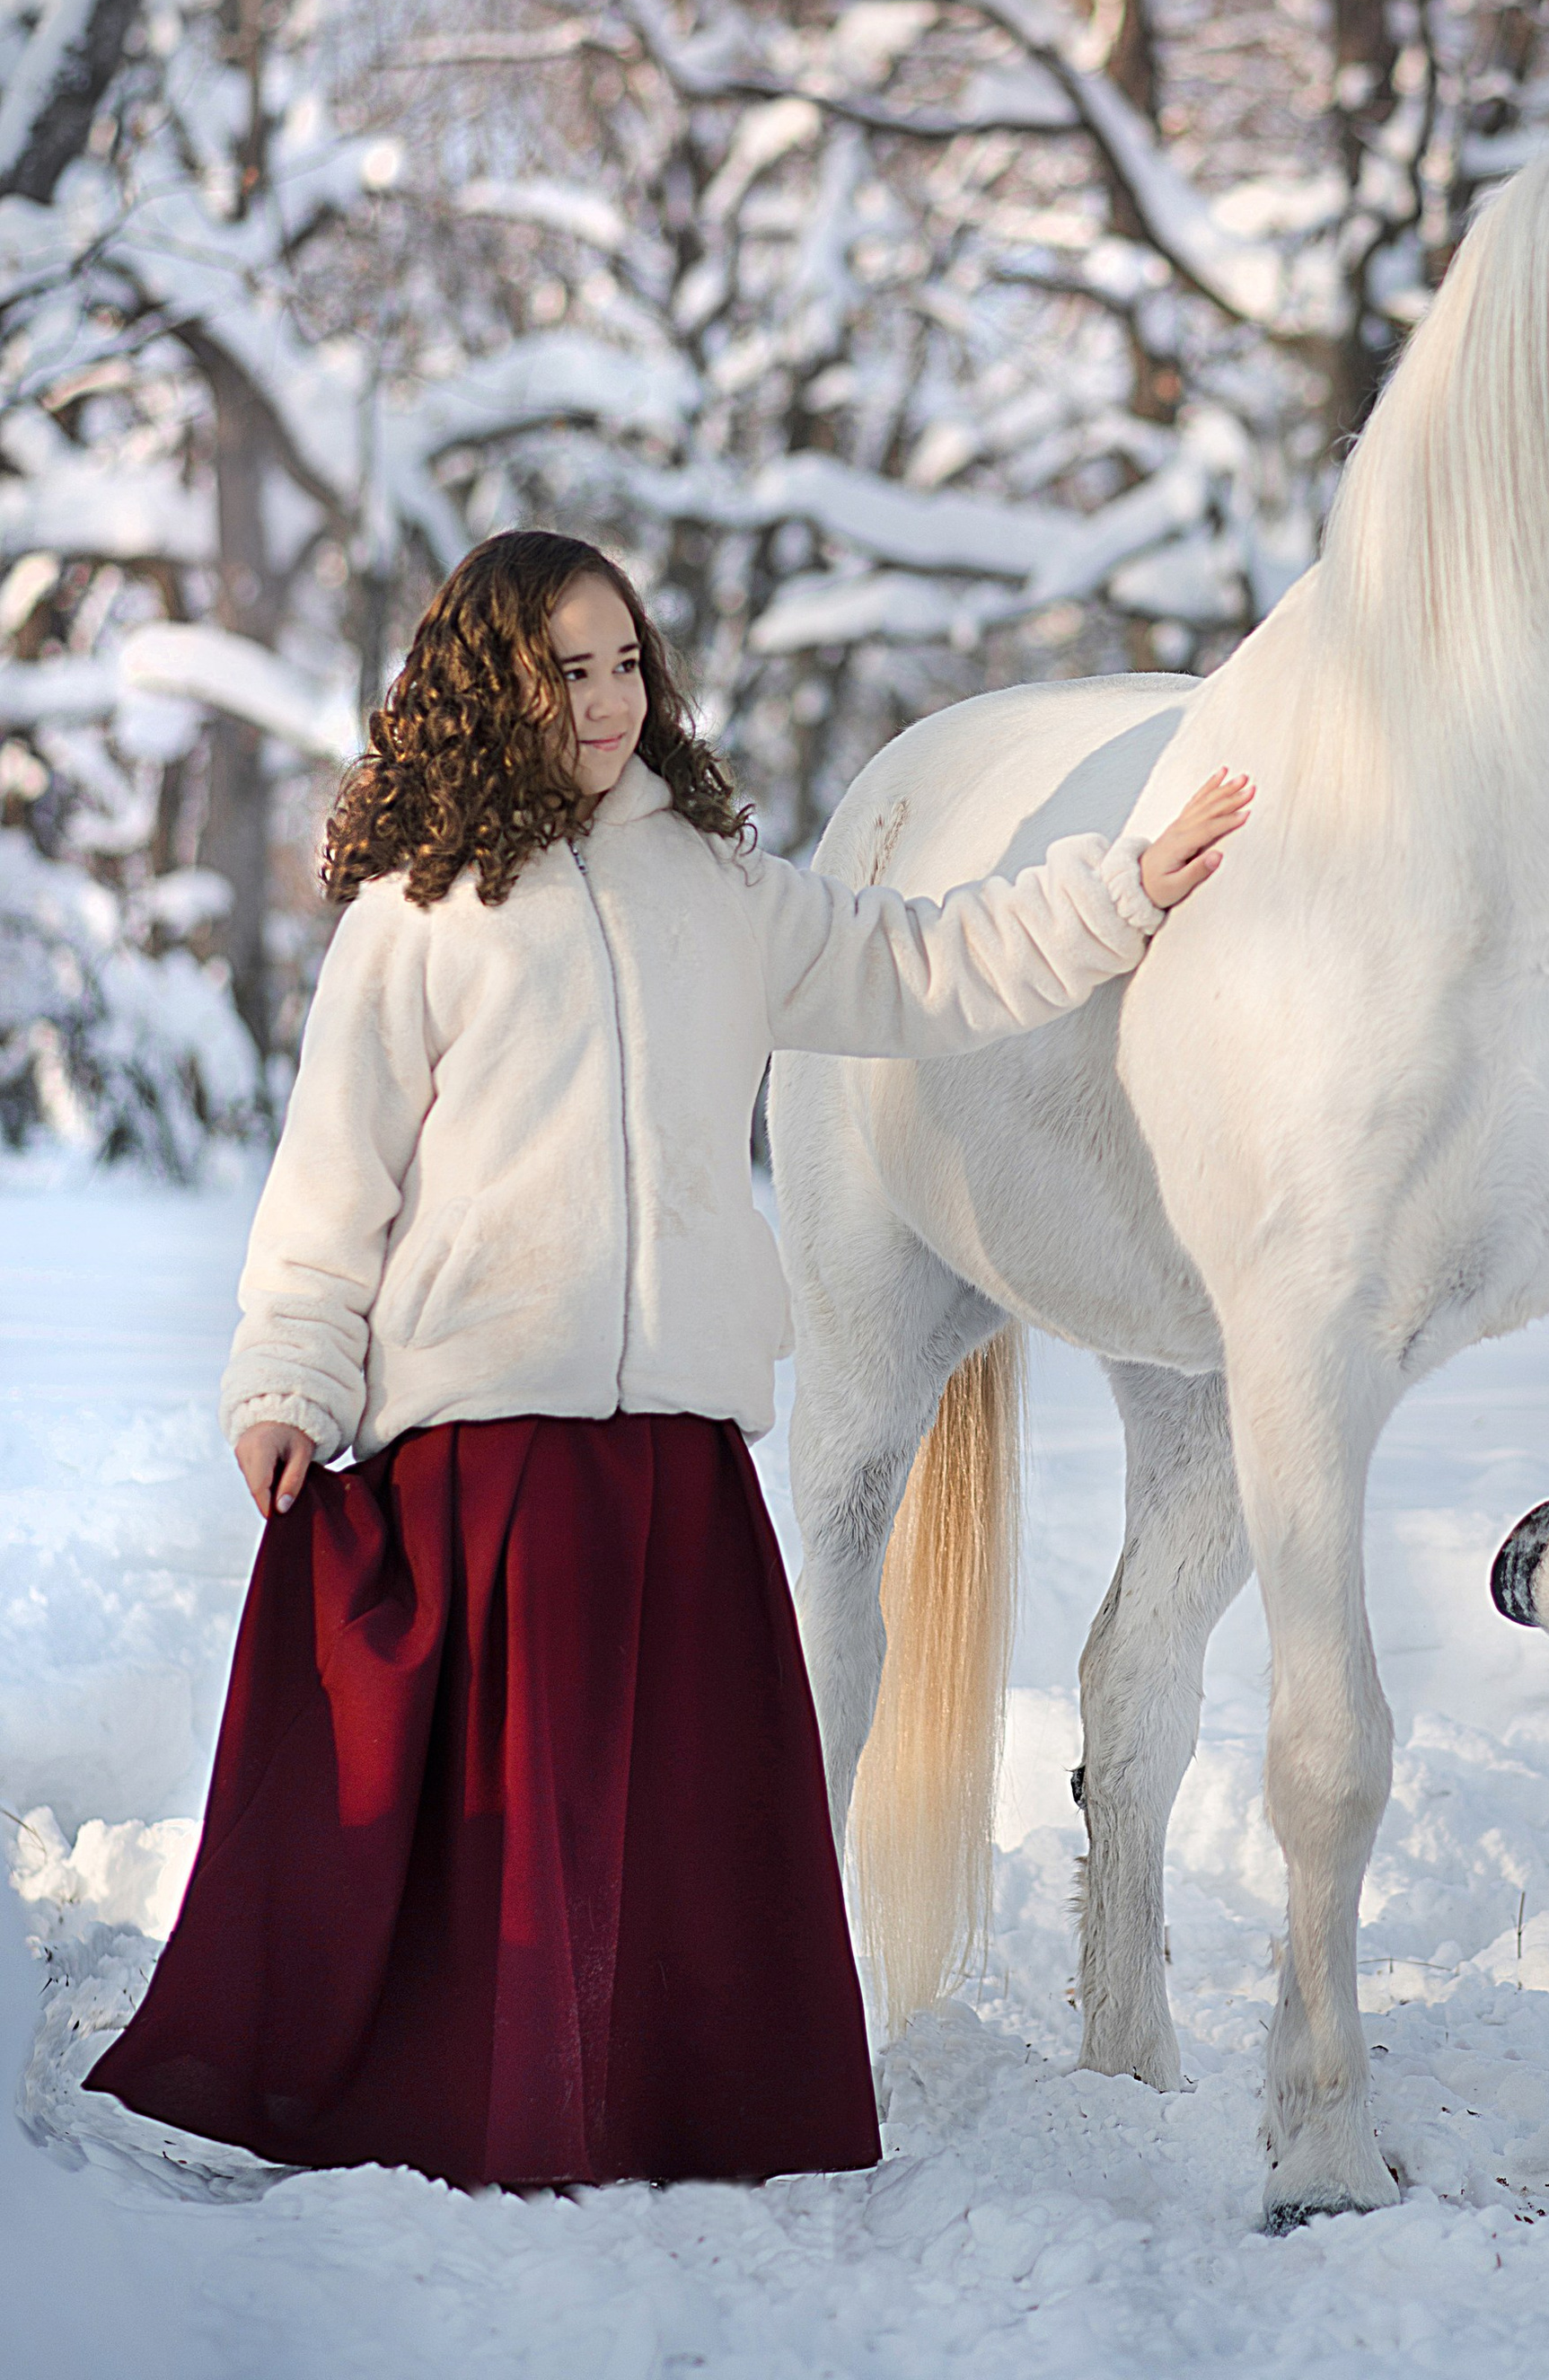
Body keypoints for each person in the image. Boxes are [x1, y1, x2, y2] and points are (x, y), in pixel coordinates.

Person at [86, 530, 1247, 2193]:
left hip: (678, 1450)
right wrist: (286, 1380)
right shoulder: (420, 914)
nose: (609, 699)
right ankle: (481, 2107)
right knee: (517, 1835)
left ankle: (694, 2114)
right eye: (567, 669)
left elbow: (930, 963)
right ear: (495, 686)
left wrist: (1127, 887)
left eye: (626, 661)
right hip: (490, 1449)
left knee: (690, 1837)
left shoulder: (717, 886)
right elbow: (331, 1183)